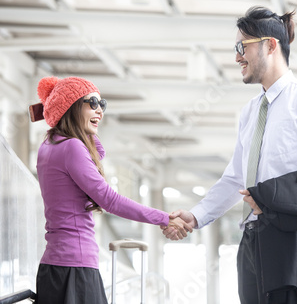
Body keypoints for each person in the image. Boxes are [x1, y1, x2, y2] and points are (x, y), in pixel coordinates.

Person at [163, 6, 297, 303]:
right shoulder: (251, 112)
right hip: (255, 241)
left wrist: (272, 198)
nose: (237, 56)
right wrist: (195, 216)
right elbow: (236, 178)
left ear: (271, 45)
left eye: (243, 46)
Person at [33, 76, 192, 304]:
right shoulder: (72, 148)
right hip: (75, 268)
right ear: (72, 106)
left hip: (54, 268)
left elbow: (96, 156)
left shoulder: (49, 146)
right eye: (93, 103)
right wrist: (164, 218)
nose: (100, 111)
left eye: (102, 104)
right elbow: (109, 200)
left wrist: (80, 124)